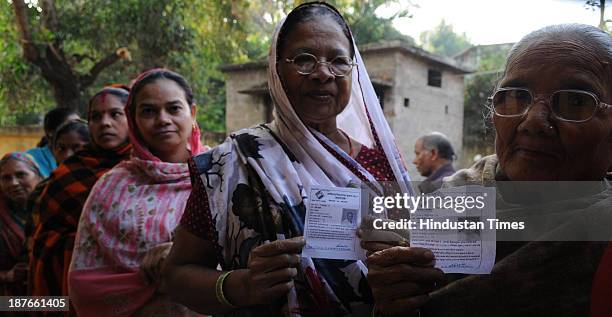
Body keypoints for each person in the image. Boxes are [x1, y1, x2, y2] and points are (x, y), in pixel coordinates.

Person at [163, 2, 412, 316]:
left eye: (338, 61)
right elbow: (175, 274)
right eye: (305, 60)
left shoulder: (379, 167)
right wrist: (242, 286)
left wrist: (399, 263)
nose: (323, 73)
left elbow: (417, 264)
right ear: (276, 69)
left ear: (353, 71)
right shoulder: (232, 165)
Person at [362, 24, 612, 317]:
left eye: (576, 101)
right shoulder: (445, 205)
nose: (533, 121)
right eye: (516, 95)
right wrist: (392, 299)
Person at [68, 69, 206, 317]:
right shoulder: (110, 187)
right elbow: (84, 280)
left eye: (174, 108)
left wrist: (180, 256)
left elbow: (245, 253)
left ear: (192, 113)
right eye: (149, 111)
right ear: (133, 120)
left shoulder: (221, 173)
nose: (163, 119)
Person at [29, 86, 131, 299]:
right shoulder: (68, 173)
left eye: (115, 114)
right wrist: (91, 242)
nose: (105, 123)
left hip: (137, 286)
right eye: (95, 116)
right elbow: (42, 237)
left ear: (133, 117)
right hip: (71, 288)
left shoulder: (152, 168)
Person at [0, 152, 43, 296]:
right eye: (6, 178)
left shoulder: (56, 208)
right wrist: (7, 275)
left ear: (38, 176)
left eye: (21, 175)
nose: (13, 183)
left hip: (55, 293)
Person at [27, 108, 81, 178]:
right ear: (50, 132)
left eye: (79, 125)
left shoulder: (87, 156)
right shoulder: (29, 160)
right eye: (71, 126)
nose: (78, 129)